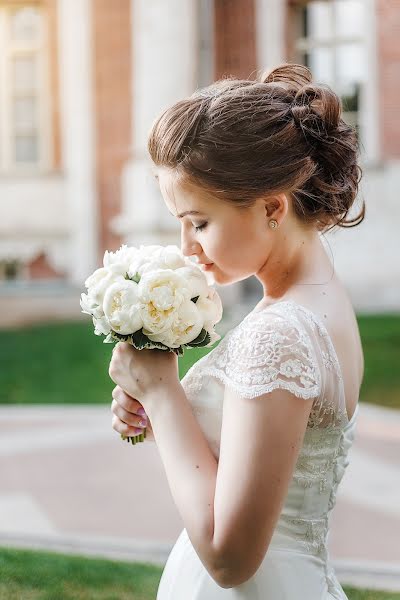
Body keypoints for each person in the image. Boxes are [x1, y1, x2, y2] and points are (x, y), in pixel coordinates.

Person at [109, 63, 365, 599]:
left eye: (199, 222)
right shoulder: (316, 299)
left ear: (272, 206)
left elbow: (230, 558)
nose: (187, 248)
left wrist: (162, 393)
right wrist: (170, 416)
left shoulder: (282, 334)